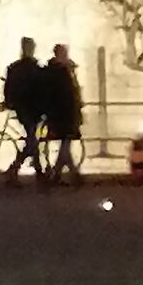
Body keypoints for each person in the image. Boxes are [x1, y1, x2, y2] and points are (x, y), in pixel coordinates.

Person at [1, 36, 46, 183]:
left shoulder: (15, 68)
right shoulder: (35, 68)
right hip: (32, 109)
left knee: (32, 139)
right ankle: (16, 168)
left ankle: (38, 171)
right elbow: (40, 89)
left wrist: (9, 103)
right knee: (32, 141)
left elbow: (9, 88)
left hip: (23, 108)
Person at [41, 44, 84, 185]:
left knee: (66, 143)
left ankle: (61, 174)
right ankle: (67, 174)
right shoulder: (59, 72)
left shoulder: (57, 71)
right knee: (66, 142)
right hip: (64, 113)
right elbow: (68, 93)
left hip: (62, 113)